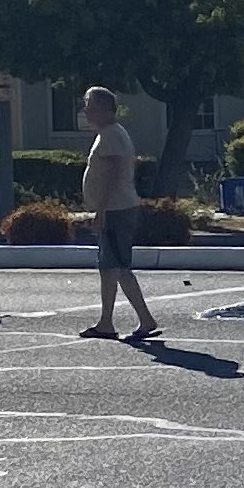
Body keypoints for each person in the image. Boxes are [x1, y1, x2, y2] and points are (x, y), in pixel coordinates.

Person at [78, 86, 158, 341]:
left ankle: (142, 320)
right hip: (117, 208)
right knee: (110, 268)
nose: (86, 111)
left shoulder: (111, 134)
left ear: (103, 109)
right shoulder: (109, 133)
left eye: (89, 106)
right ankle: (107, 322)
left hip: (116, 209)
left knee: (118, 267)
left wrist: (100, 211)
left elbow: (112, 176)